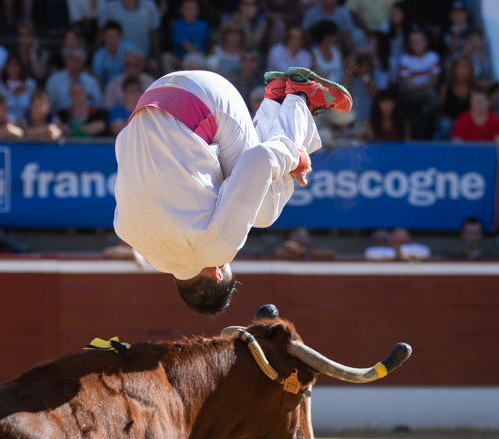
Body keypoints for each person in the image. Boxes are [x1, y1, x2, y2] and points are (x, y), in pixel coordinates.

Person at [113, 67, 352, 315]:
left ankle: (300, 98)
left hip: (202, 101)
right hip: (153, 95)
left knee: (263, 211)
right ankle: (274, 100)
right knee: (243, 187)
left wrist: (295, 159)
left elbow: (259, 159)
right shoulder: (130, 235)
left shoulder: (216, 251)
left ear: (218, 273)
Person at [98, 0, 162, 63]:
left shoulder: (150, 6)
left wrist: (156, 59)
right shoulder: (109, 8)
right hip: (116, 63)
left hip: (144, 60)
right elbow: (101, 33)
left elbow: (154, 35)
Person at [45, 46, 102, 111]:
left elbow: (98, 104)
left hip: (87, 117)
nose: (75, 62)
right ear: (66, 60)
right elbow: (48, 105)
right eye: (72, 59)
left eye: (78, 60)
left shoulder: (91, 82)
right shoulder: (54, 80)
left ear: (83, 62)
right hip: (61, 118)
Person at [0, 53, 37, 120]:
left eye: (16, 65)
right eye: (11, 65)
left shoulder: (31, 85)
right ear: (6, 67)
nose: (13, 68)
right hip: (5, 124)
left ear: (21, 67)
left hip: (27, 123)